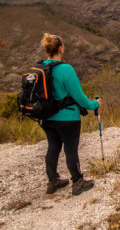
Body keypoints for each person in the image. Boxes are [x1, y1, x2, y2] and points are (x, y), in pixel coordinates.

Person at [39, 33, 100, 196]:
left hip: (46, 118)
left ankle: (53, 181)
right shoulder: (66, 69)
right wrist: (94, 104)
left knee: (53, 147)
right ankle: (78, 181)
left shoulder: (39, 68)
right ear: (61, 48)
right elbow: (79, 97)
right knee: (71, 149)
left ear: (47, 50)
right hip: (68, 119)